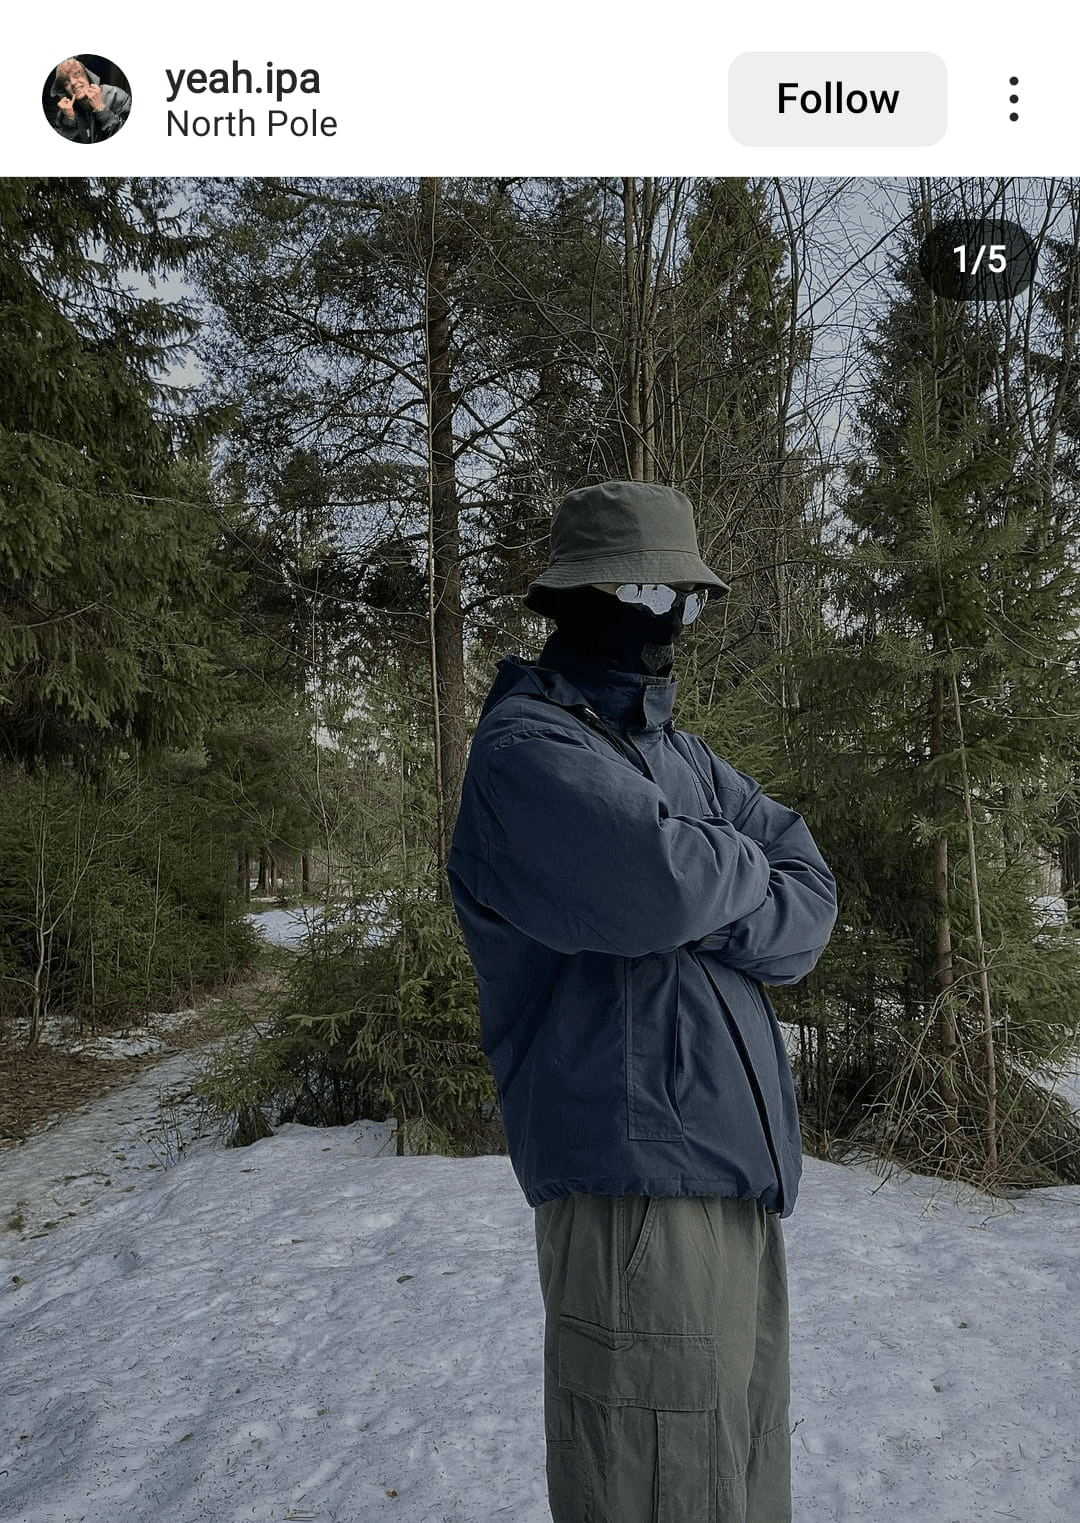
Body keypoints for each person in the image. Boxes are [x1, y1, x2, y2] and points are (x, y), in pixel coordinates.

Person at [448, 480, 837, 1523]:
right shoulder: (527, 752)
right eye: (646, 589)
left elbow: (812, 898)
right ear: (578, 596)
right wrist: (723, 869)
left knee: (741, 1486)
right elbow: (658, 881)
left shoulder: (681, 757)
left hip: (732, 1185)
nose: (671, 618)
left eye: (690, 598)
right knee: (655, 1488)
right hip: (634, 1197)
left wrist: (719, 872)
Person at [49, 58, 130, 143]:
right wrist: (69, 120)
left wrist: (101, 109)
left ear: (87, 76)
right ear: (64, 89)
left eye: (77, 74)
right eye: (66, 82)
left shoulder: (116, 96)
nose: (73, 82)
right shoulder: (64, 112)